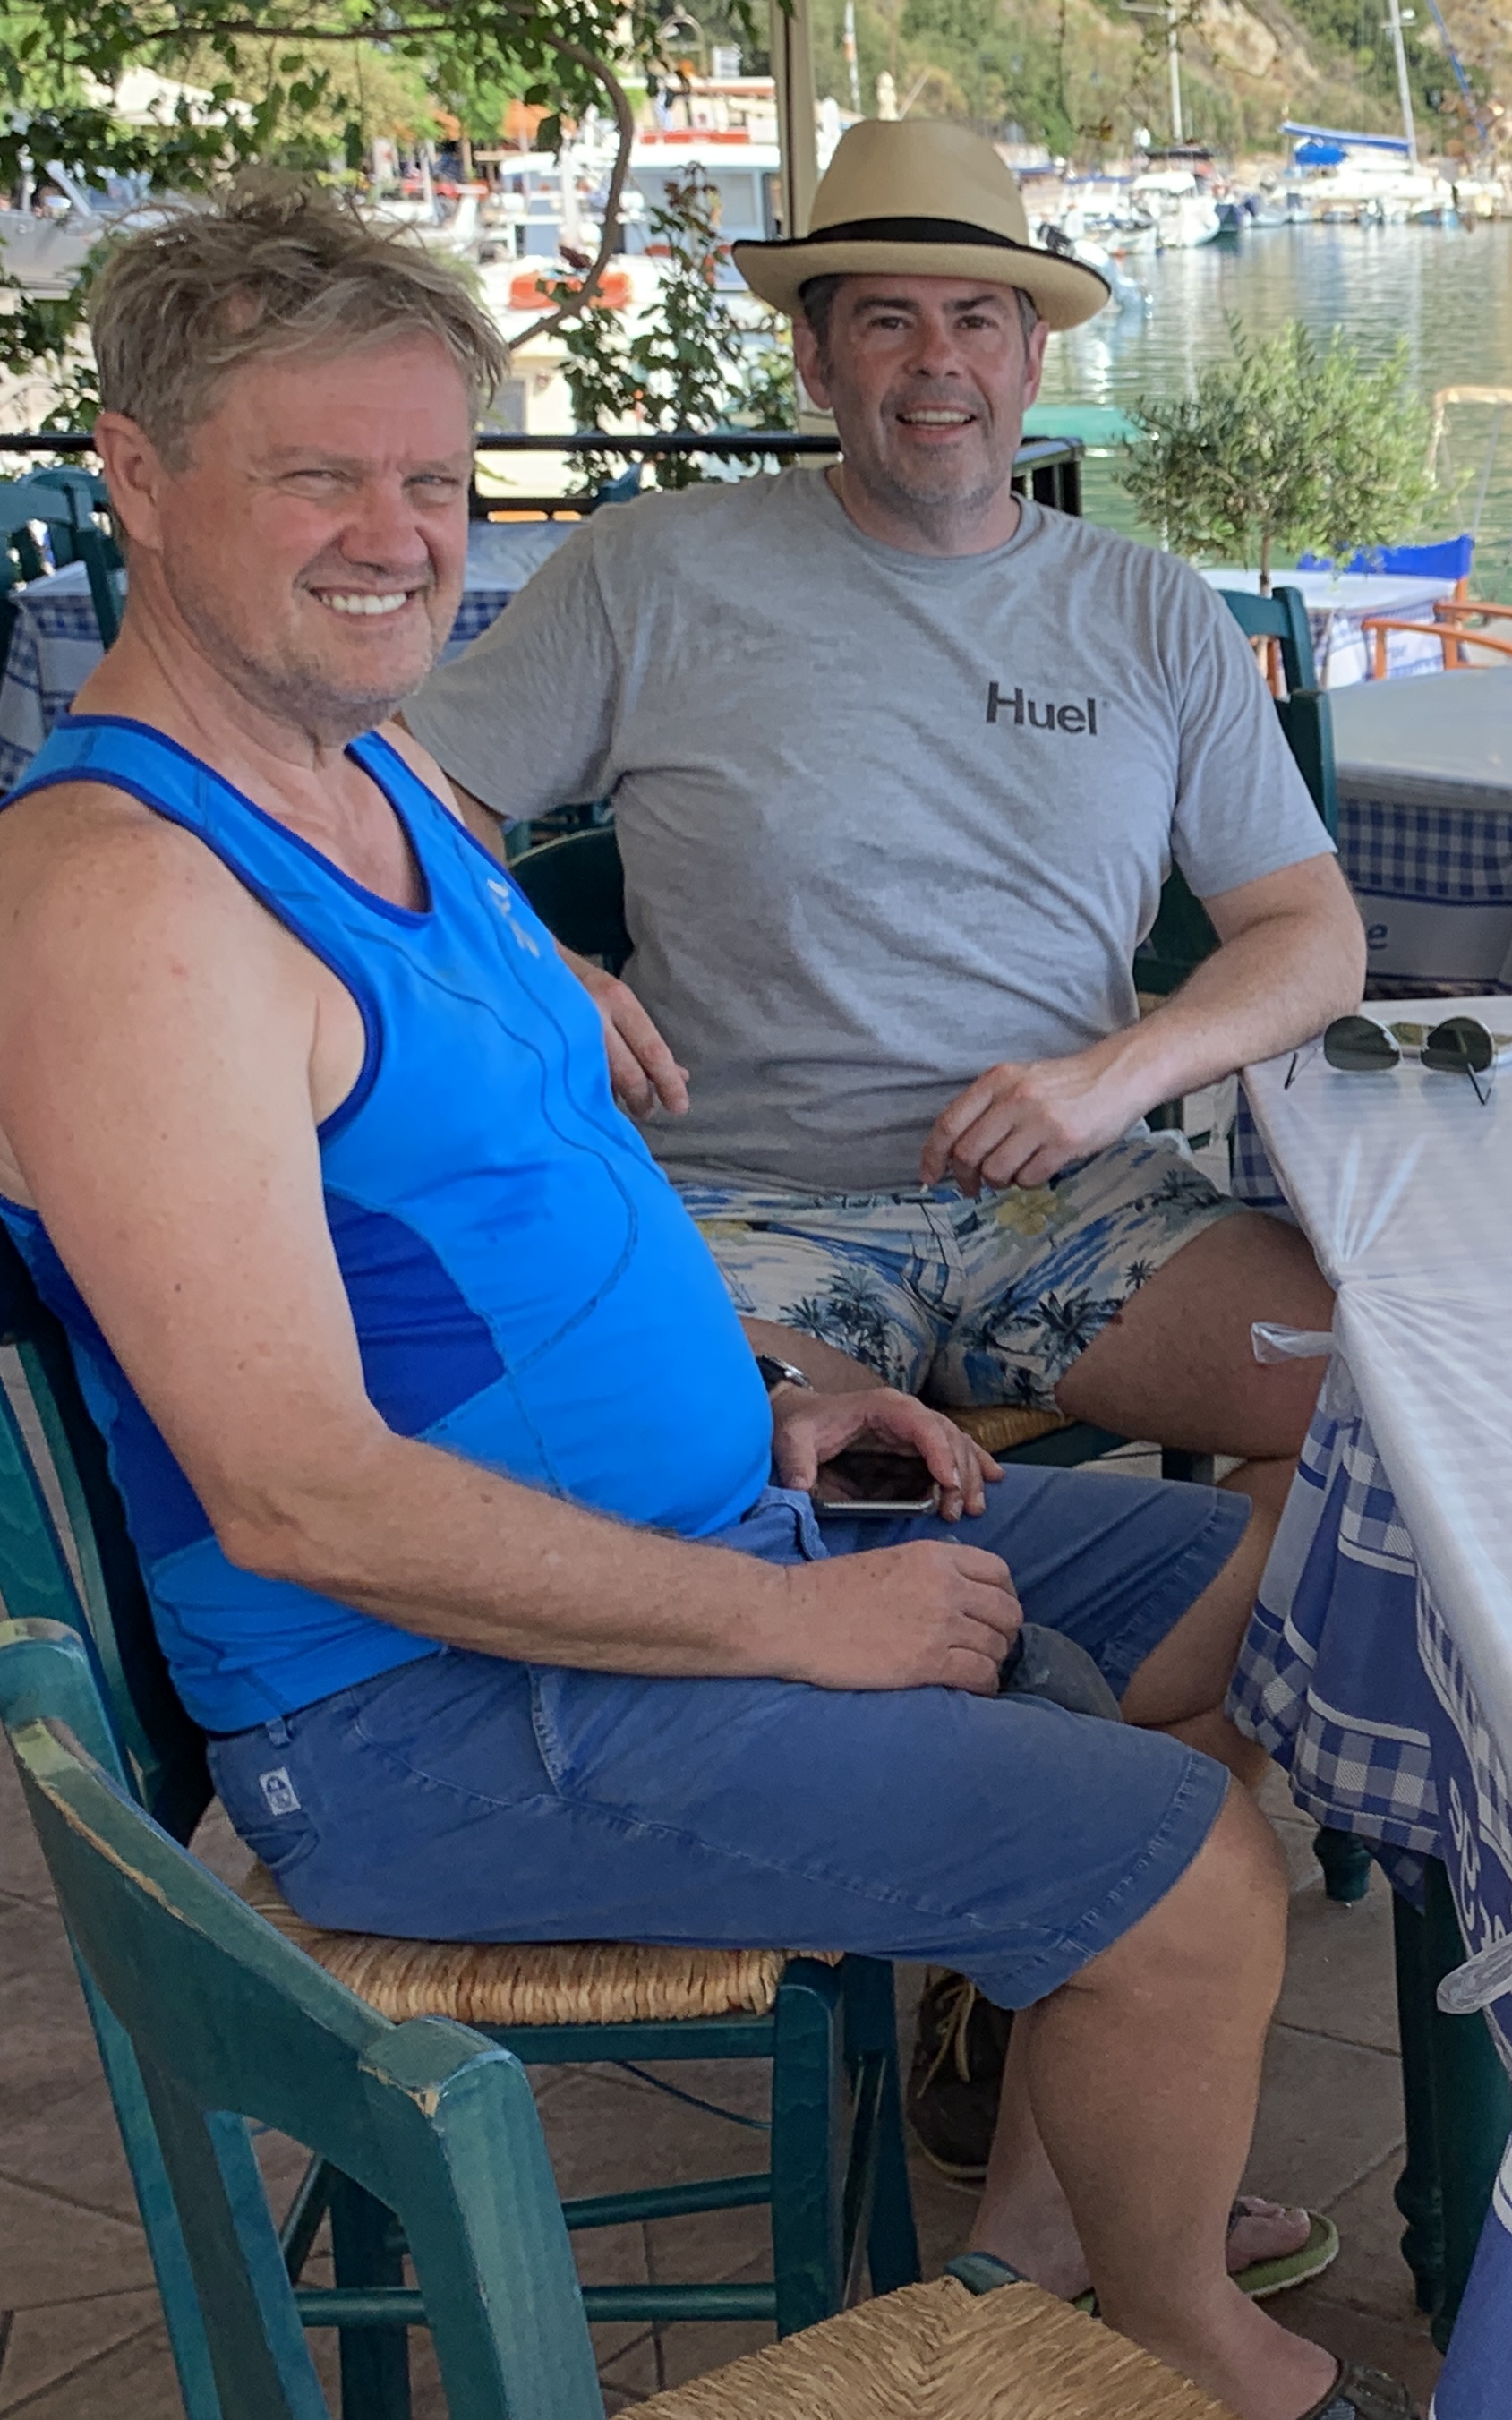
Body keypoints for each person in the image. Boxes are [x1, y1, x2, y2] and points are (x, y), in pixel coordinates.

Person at [0, 178, 1398, 2420]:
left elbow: (513, 1231)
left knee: (1281, 1582)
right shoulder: (128, 905)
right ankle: (1184, 2338)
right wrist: (787, 1623)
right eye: (319, 476)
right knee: (1199, 1873)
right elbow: (292, 1493)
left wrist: (772, 1385)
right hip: (432, 1708)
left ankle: (1048, 2224)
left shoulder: (372, 790)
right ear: (142, 482)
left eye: (434, 481)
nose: (397, 538)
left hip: (691, 1525)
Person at [399, 122, 1366, 1800]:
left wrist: (1114, 1074)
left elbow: (1314, 935)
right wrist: (539, 964)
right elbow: (393, 806)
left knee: (1387, 1418)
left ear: (1033, 355)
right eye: (887, 321)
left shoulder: (1151, 611)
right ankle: (1072, 1777)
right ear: (815, 353)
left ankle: (1094, 1768)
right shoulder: (655, 568)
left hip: (1073, 1199)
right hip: (740, 1206)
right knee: (749, 1491)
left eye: (976, 319)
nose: (938, 363)